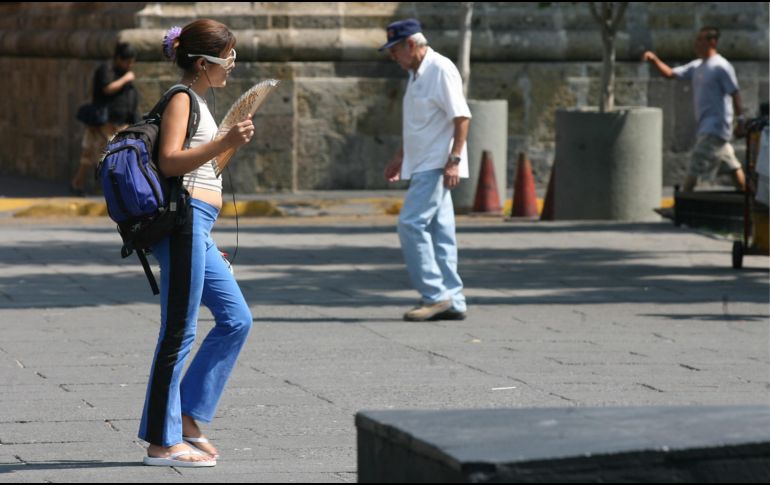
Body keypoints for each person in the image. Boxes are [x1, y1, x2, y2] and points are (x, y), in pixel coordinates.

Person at [138, 19, 256, 468]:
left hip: (198, 227)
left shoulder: (200, 103)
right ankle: (160, 441)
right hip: (184, 224)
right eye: (229, 56)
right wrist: (226, 140)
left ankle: (187, 416)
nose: (233, 64)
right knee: (178, 331)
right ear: (204, 62)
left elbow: (201, 167)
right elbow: (170, 162)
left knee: (236, 319)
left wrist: (228, 145)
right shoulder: (181, 98)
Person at [381, 19, 471, 322]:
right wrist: (400, 156)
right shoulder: (416, 73)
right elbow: (420, 123)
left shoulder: (440, 69)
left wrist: (454, 159)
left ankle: (435, 295)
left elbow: (461, 117)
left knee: (410, 224)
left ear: (411, 44)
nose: (393, 56)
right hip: (422, 162)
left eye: (395, 49)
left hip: (436, 163)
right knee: (439, 231)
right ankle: (453, 298)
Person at [643, 26, 746, 192]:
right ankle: (749, 198)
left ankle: (682, 203)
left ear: (712, 42)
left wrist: (741, 122)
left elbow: (735, 93)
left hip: (715, 126)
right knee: (732, 166)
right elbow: (670, 74)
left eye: (700, 39)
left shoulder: (721, 67)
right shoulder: (698, 66)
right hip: (707, 126)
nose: (696, 43)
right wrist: (654, 60)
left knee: (695, 165)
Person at [71, 42, 138, 195]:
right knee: (99, 155)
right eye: (127, 61)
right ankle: (88, 186)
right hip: (104, 122)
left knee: (97, 154)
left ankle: (82, 184)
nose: (130, 65)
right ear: (118, 58)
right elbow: (107, 89)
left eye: (131, 62)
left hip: (119, 122)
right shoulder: (106, 70)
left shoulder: (123, 73)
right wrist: (126, 79)